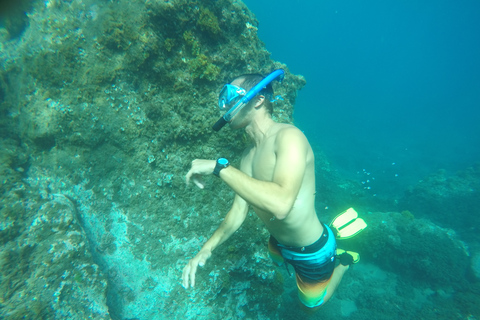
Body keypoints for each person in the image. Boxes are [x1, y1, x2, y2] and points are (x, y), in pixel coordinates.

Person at [182, 70, 356, 308]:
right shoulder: (246, 157)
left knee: (311, 303)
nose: (225, 105)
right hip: (278, 243)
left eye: (231, 95)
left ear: (259, 99)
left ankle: (344, 261)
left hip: (312, 251)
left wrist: (219, 167)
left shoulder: (289, 137)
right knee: (277, 263)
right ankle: (329, 238)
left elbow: (281, 205)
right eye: (224, 98)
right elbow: (238, 213)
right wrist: (205, 249)